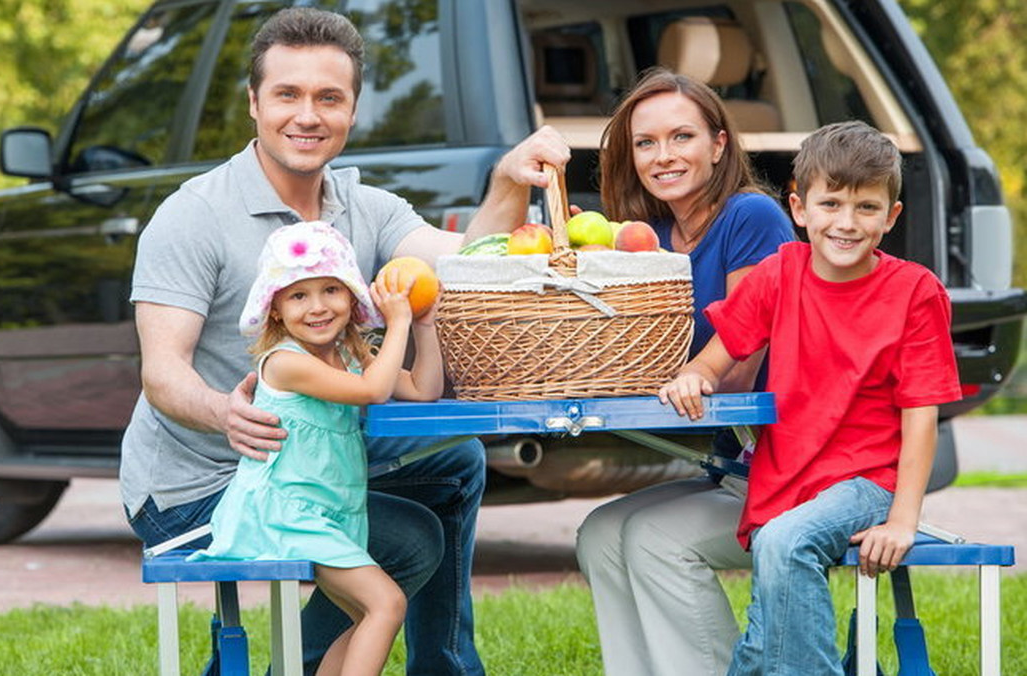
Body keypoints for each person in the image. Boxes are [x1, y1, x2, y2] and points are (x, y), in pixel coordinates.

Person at [119, 7, 568, 675]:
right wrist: (224, 412)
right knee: (410, 541)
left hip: (307, 457)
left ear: (353, 109)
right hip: (201, 482)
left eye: (329, 97)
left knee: (455, 459)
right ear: (254, 102)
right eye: (288, 95)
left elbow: (466, 262)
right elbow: (162, 374)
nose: (309, 115)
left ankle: (442, 666)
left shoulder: (366, 207)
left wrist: (506, 180)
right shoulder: (194, 215)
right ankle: (287, 668)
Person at [659, 120, 961, 675]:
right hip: (785, 483)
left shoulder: (915, 291)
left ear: (890, 217)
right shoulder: (778, 274)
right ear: (800, 209)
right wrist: (692, 376)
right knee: (758, 651)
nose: (846, 223)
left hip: (869, 481)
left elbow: (922, 413)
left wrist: (902, 520)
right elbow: (715, 358)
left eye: (866, 208)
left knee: (785, 543)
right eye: (831, 204)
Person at [573, 67, 794, 676]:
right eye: (646, 143)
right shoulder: (653, 238)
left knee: (654, 541)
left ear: (719, 144)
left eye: (682, 137)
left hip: (785, 475)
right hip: (734, 468)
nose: (662, 156)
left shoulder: (752, 218)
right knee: (599, 534)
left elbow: (736, 370)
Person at [191, 221, 443, 676]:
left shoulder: (350, 355)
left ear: (351, 297)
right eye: (298, 296)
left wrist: (422, 324)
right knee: (386, 605)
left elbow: (423, 390)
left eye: (331, 289)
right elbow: (373, 391)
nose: (318, 307)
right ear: (276, 311)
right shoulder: (286, 362)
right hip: (285, 513)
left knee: (368, 613)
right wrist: (399, 321)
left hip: (328, 511)